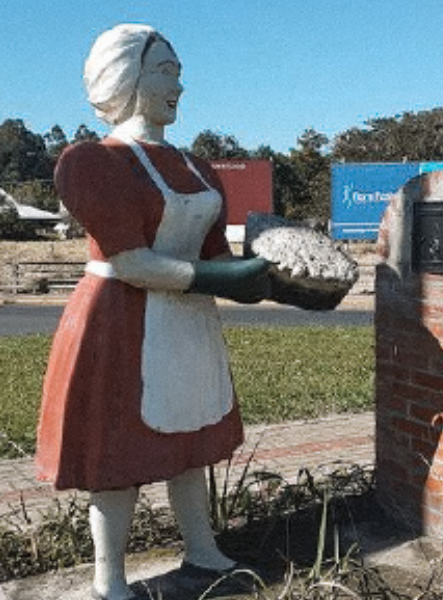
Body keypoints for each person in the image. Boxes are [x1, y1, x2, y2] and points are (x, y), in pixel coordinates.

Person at [35, 23, 269, 600]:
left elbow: (216, 252)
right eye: (165, 71)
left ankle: (202, 548)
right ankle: (108, 578)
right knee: (118, 455)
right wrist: (220, 277)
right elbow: (133, 261)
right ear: (128, 78)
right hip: (121, 321)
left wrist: (271, 275)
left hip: (188, 323)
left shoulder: (197, 167)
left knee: (192, 441)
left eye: (178, 74)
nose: (178, 87)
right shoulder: (93, 163)